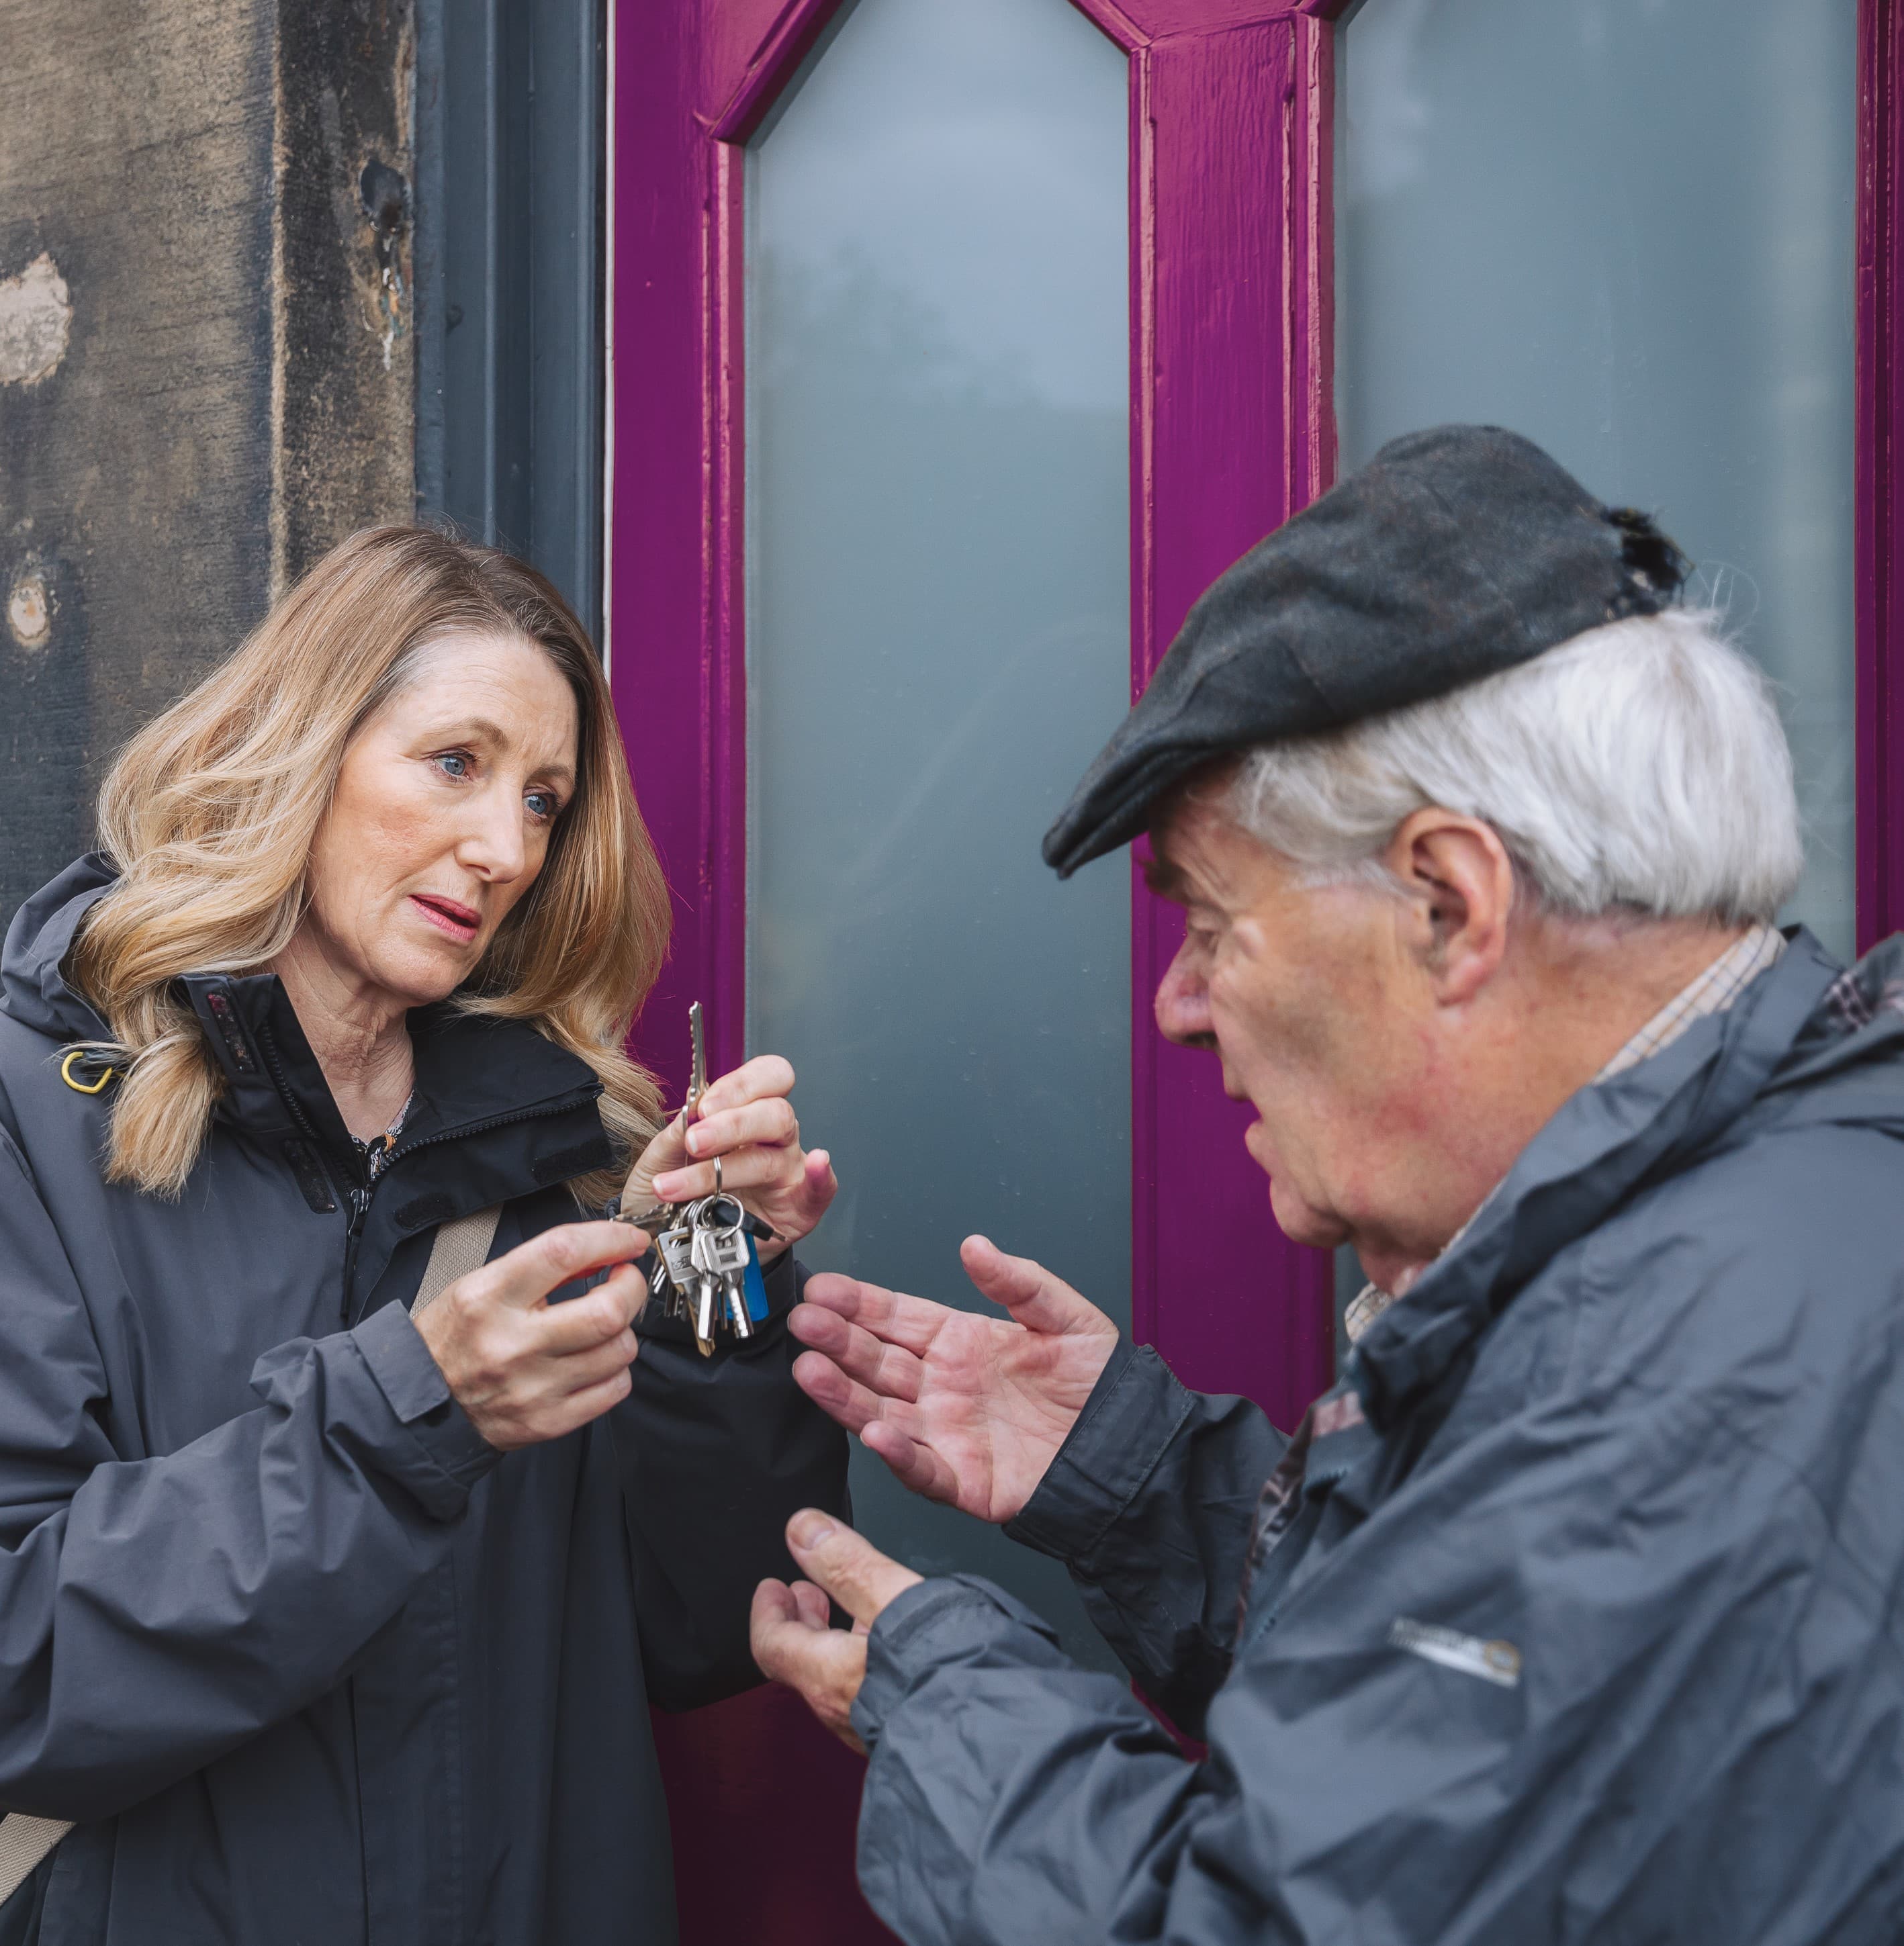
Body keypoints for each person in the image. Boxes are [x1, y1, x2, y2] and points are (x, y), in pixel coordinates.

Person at [750, 426, 1904, 1944]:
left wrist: (945, 1692)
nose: (1174, 1005)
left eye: (1214, 923)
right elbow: (1492, 1756)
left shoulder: (1675, 1401)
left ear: (1449, 902)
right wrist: (1145, 1482)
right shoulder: (1775, 1217)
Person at [0, 526, 848, 1946]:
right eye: (454, 764)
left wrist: (701, 1293)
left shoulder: (560, 1166)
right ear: (304, 746)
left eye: (544, 802)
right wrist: (400, 1421)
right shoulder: (18, 1116)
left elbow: (695, 1623)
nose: (501, 850)